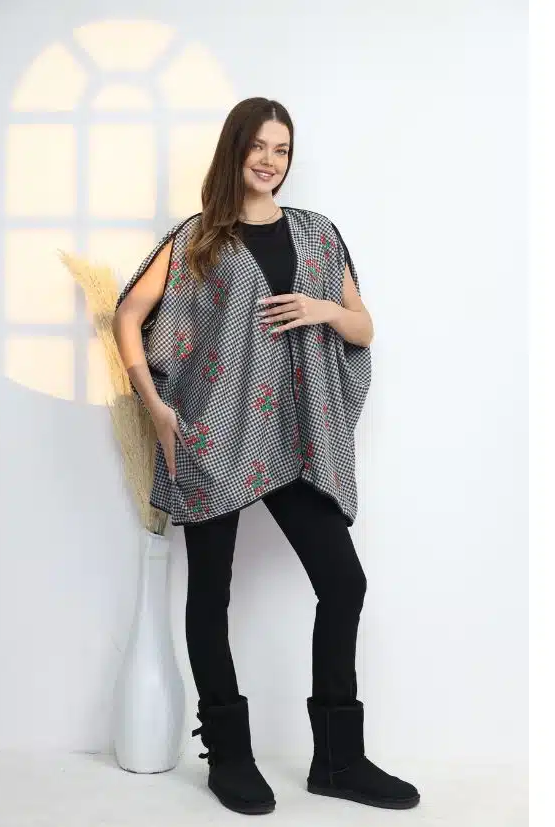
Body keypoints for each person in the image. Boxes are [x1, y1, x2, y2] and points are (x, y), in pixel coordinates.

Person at [113, 97, 419, 815]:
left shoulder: (317, 235)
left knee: (343, 584)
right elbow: (128, 314)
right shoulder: (197, 239)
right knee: (210, 595)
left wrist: (324, 310)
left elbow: (363, 326)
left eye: (281, 149)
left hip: (296, 437)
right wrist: (155, 407)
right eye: (257, 145)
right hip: (215, 438)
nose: (270, 160)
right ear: (235, 150)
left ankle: (338, 760)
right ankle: (228, 756)